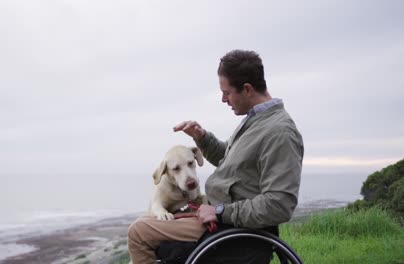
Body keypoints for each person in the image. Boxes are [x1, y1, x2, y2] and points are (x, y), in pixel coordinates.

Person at [127, 50, 304, 264]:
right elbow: (230, 162)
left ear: (247, 89)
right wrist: (202, 138)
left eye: (227, 93)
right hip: (214, 214)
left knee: (138, 232)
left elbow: (279, 205)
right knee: (148, 219)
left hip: (228, 227)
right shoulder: (257, 121)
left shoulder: (279, 133)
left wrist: (220, 212)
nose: (223, 99)